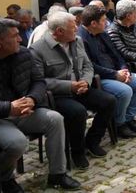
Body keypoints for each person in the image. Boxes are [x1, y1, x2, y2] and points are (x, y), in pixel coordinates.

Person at [0, 17, 80, 190]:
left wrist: (32, 99)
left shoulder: (23, 53)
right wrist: (8, 108)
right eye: (15, 35)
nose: (20, 39)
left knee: (55, 119)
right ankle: (5, 178)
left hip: (25, 110)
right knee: (17, 143)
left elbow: (39, 82)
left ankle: (57, 174)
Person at [30, 12, 116, 169]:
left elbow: (87, 66)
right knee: (78, 112)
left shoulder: (77, 41)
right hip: (58, 95)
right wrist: (69, 86)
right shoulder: (38, 50)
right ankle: (77, 151)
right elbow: (40, 81)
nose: (77, 28)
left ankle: (92, 141)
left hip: (81, 88)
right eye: (72, 27)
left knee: (108, 101)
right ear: (59, 32)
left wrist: (85, 81)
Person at [77, 6, 136, 139]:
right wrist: (115, 74)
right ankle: (119, 124)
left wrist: (124, 69)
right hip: (100, 78)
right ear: (93, 23)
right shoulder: (81, 39)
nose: (107, 23)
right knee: (125, 91)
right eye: (104, 20)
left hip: (117, 72)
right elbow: (90, 66)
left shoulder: (103, 33)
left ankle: (128, 118)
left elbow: (117, 54)